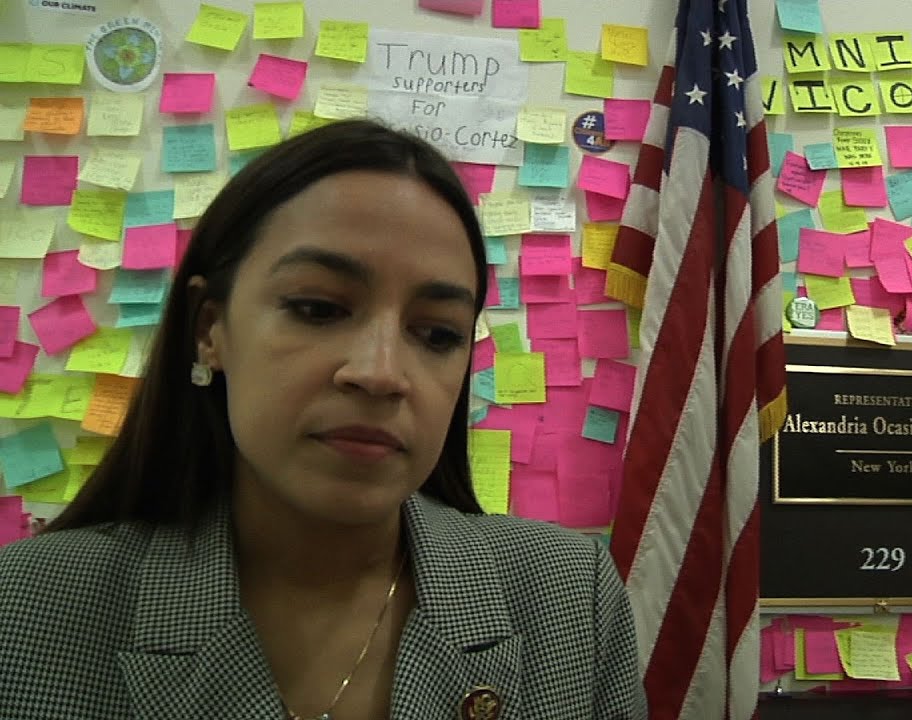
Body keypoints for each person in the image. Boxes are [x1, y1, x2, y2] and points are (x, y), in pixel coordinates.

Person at [0, 119, 646, 720]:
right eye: (317, 308)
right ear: (209, 331)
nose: (382, 372)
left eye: (438, 333)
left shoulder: (568, 599)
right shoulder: (25, 612)